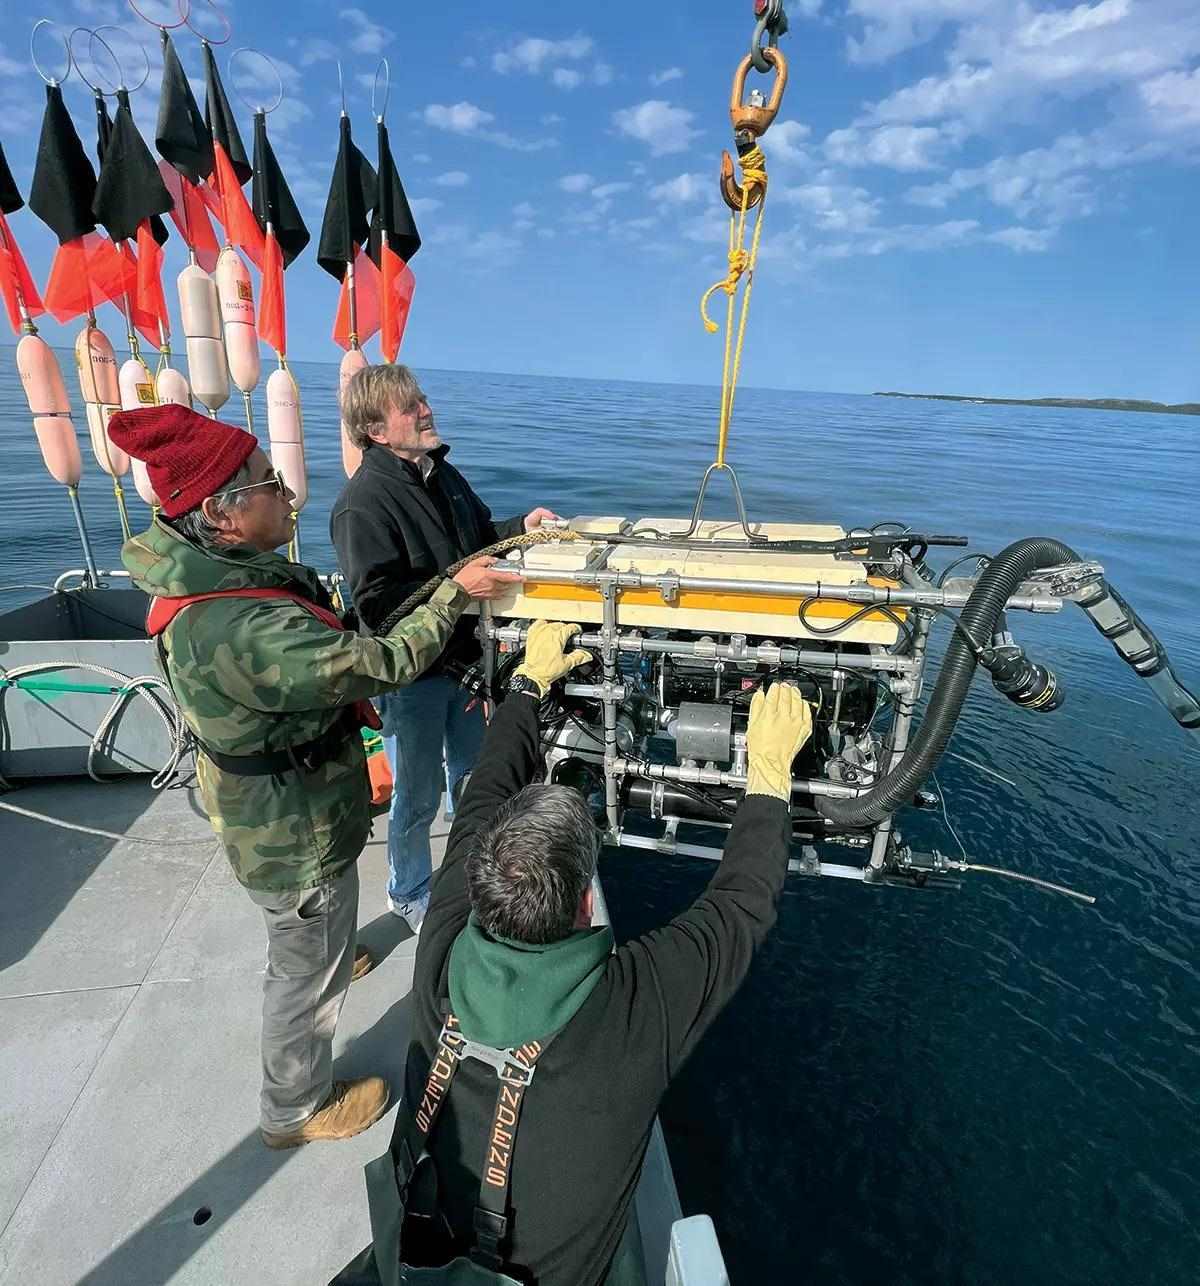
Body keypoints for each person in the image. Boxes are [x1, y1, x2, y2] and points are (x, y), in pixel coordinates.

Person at [335, 621, 814, 1285]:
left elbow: (481, 794)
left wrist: (528, 681)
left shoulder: (443, 942)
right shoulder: (631, 1008)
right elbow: (741, 905)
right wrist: (769, 768)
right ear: (585, 905)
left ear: (479, 881)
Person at [110, 403, 518, 1151]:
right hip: (292, 829)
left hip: (269, 804)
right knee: (303, 976)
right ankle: (295, 1108)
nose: (289, 496)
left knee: (312, 933)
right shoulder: (244, 625)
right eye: (270, 484)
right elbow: (384, 662)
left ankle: (331, 946)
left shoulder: (216, 579)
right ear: (223, 516)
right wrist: (456, 592)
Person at [330, 364, 558, 935]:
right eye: (411, 406)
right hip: (412, 679)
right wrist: (458, 592)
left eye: (421, 399)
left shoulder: (442, 472)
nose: (425, 409)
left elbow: (478, 534)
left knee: (472, 782)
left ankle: (470, 879)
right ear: (377, 430)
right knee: (417, 795)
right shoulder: (364, 504)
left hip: (465, 667)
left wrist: (519, 524)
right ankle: (408, 892)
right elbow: (378, 608)